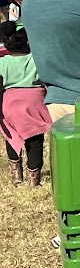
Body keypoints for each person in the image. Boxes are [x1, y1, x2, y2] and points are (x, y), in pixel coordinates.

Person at [0, 22, 50, 187]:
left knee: (12, 137)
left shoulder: (2, 62)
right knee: (35, 140)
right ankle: (33, 179)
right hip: (34, 102)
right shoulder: (36, 58)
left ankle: (16, 174)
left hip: (10, 103)